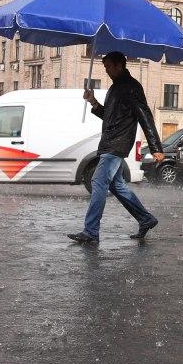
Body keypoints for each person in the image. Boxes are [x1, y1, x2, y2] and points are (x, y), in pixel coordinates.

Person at [68, 51, 164, 245]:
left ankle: (91, 231)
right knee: (116, 185)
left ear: (120, 65)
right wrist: (93, 101)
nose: (106, 70)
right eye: (105, 67)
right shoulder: (115, 88)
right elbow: (109, 116)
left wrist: (156, 147)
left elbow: (145, 116)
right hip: (109, 142)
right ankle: (145, 219)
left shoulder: (131, 87)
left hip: (117, 144)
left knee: (98, 181)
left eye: (109, 67)